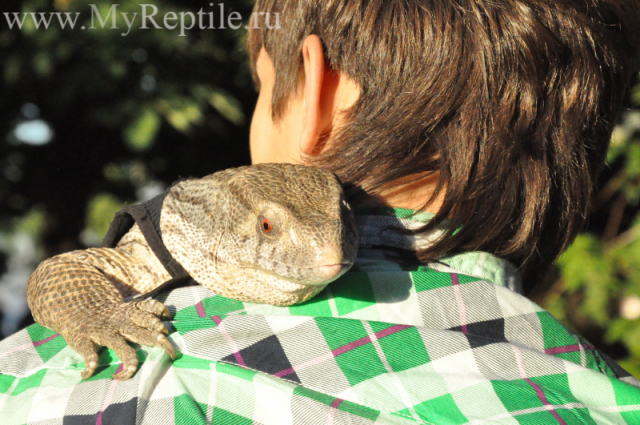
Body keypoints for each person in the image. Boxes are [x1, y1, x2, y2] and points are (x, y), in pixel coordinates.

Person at [1, 0, 640, 423]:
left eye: (258, 92)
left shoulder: (103, 380)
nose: (334, 255)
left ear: (321, 92)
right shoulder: (608, 397)